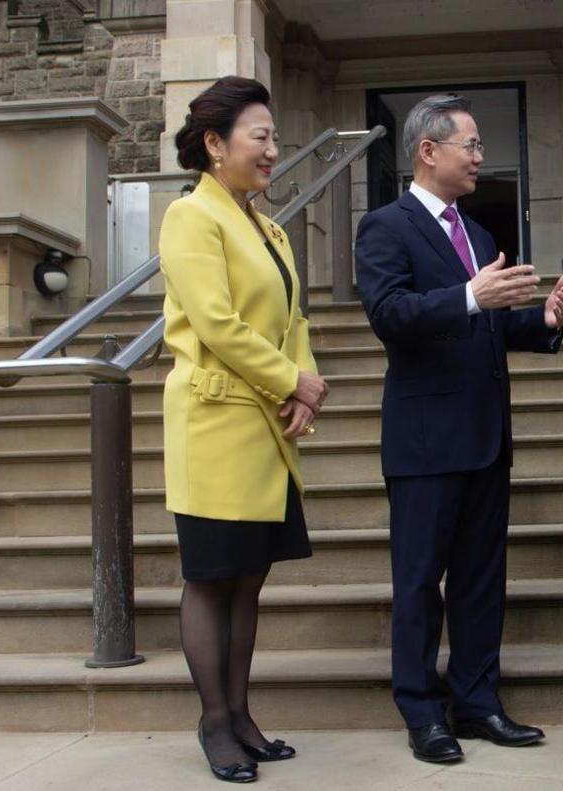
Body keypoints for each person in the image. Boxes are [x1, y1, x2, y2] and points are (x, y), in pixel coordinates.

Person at [354, 94, 563, 764]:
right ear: (429, 150)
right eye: (471, 146)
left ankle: (478, 702)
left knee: (482, 579)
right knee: (421, 580)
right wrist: (468, 297)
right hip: (424, 441)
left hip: (485, 436)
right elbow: (390, 313)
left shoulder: (478, 235)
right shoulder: (384, 228)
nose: (481, 157)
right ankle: (423, 712)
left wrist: (542, 321)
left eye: (480, 147)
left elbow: (492, 323)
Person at [160, 75, 330, 783]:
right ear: (214, 143)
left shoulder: (269, 225)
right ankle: (214, 720)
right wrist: (290, 380)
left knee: (250, 577)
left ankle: (242, 710)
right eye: (260, 137)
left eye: (274, 138)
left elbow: (294, 322)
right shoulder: (190, 218)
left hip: (267, 427)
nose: (272, 151)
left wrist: (305, 386)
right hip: (217, 423)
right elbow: (217, 324)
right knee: (211, 577)